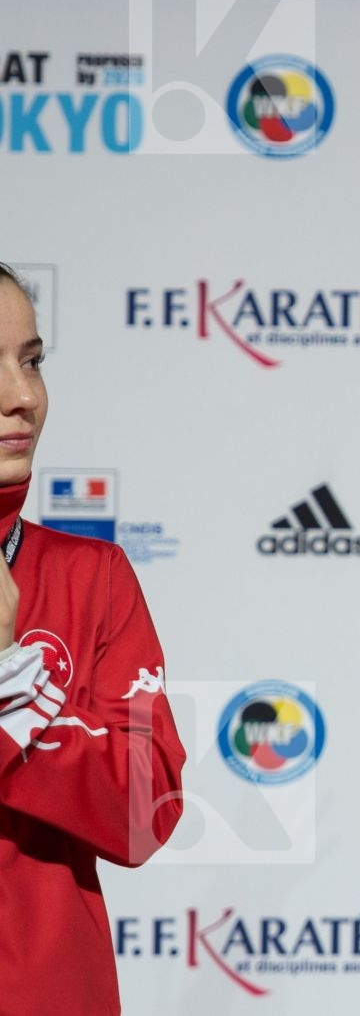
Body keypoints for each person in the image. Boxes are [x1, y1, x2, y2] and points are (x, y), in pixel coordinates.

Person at [0, 261, 187, 1016]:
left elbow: (149, 810)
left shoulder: (93, 575)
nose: (23, 397)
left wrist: (10, 675)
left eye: (31, 361)